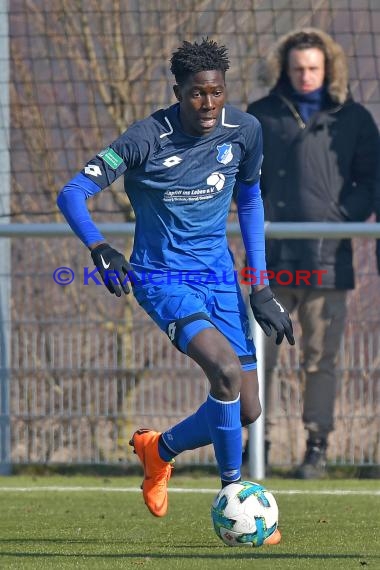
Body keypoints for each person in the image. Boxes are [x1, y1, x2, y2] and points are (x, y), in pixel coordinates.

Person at [57, 38, 293, 540]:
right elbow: (73, 191)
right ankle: (235, 494)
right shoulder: (146, 137)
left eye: (216, 93)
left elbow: (249, 201)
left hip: (220, 280)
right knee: (224, 371)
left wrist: (262, 286)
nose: (207, 105)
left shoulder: (244, 131)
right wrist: (99, 246)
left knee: (246, 407)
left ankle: (158, 450)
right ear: (177, 92)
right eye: (196, 94)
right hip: (162, 278)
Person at [246, 28, 380, 479]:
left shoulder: (354, 119)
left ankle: (316, 447)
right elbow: (236, 178)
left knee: (320, 360)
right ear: (284, 68)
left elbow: (371, 182)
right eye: (298, 68)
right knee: (256, 357)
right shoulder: (260, 116)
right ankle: (254, 443)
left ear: (328, 68)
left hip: (326, 263)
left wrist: (341, 216)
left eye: (314, 68)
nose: (306, 76)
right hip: (270, 263)